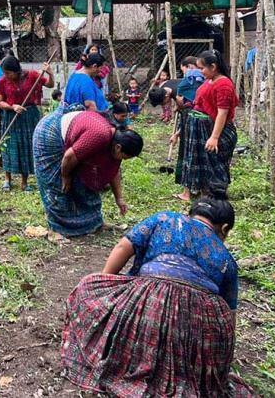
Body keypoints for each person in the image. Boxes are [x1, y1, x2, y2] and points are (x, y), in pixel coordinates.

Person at [61, 192, 254, 397]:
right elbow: (229, 315)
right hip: (195, 329)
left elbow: (123, 246)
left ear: (190, 214)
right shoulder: (227, 260)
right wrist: (220, 358)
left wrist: (106, 283)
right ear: (224, 229)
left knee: (87, 284)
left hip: (148, 301)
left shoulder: (165, 218)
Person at [33, 108, 143, 236]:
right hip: (51, 133)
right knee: (58, 185)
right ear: (118, 148)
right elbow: (69, 156)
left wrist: (119, 198)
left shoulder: (115, 141)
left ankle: (93, 224)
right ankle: (57, 230)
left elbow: (113, 170)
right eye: (125, 157)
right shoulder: (100, 135)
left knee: (88, 179)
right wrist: (65, 176)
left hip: (76, 139)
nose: (124, 160)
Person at [181, 50, 239, 196]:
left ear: (213, 66)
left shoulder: (224, 84)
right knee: (203, 164)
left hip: (218, 130)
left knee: (215, 164)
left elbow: (222, 113)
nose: (200, 72)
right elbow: (198, 105)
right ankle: (205, 194)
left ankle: (216, 195)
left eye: (202, 68)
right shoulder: (209, 81)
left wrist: (214, 137)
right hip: (203, 128)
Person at [0, 56, 54, 191]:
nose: (6, 76)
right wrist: (12, 106)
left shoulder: (32, 76)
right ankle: (7, 179)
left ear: (16, 70)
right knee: (9, 146)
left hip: (29, 116)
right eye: (5, 73)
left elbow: (50, 85)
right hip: (11, 116)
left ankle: (24, 182)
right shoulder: (2, 81)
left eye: (9, 73)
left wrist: (50, 73)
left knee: (26, 146)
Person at [172, 56, 204, 200]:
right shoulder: (207, 81)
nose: (184, 72)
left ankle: (187, 192)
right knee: (202, 156)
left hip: (192, 122)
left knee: (189, 155)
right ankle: (201, 190)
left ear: (190, 66)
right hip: (206, 122)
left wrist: (179, 104)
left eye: (184, 69)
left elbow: (180, 100)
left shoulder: (187, 81)